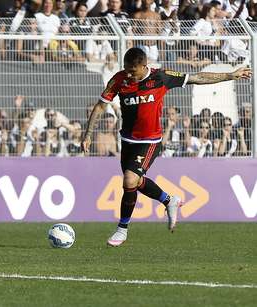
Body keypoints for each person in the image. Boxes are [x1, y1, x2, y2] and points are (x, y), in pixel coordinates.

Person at [81, 47, 252, 247]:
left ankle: (122, 229)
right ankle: (169, 200)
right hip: (127, 140)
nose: (129, 74)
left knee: (129, 180)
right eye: (126, 69)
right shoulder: (119, 79)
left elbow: (198, 78)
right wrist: (88, 134)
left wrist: (230, 75)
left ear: (144, 66)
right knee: (134, 182)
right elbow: (101, 105)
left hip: (150, 141)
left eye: (132, 70)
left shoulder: (161, 77)